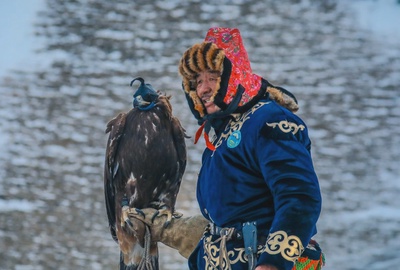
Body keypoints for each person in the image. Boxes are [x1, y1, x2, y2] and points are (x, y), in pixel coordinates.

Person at [129, 27, 323, 270]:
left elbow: (300, 198)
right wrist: (169, 229)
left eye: (212, 77)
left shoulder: (269, 121)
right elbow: (232, 220)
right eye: (197, 81)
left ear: (235, 75)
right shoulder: (220, 137)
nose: (203, 88)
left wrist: (274, 263)